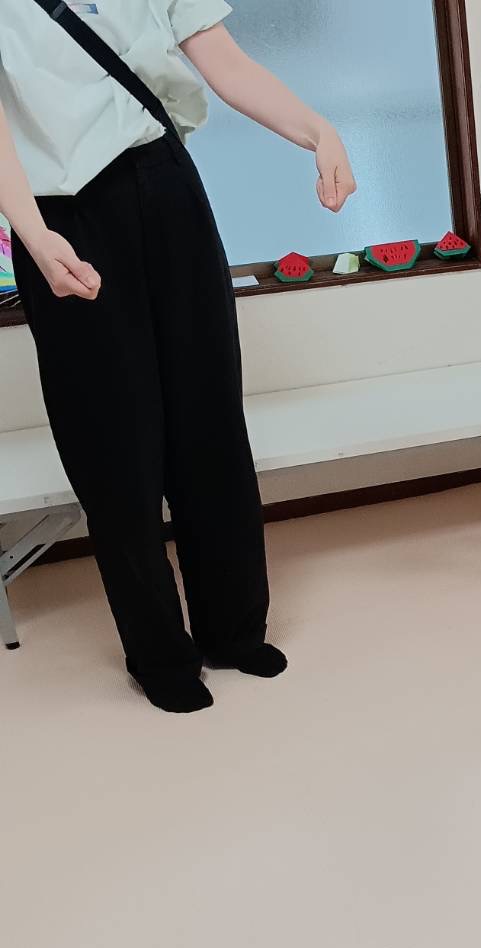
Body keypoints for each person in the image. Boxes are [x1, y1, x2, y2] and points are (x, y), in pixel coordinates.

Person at [0, 0, 356, 713]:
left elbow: (225, 63)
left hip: (167, 183)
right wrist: (31, 233)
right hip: (61, 212)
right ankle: (159, 652)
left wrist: (319, 130)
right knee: (112, 442)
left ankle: (234, 629)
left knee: (209, 415)